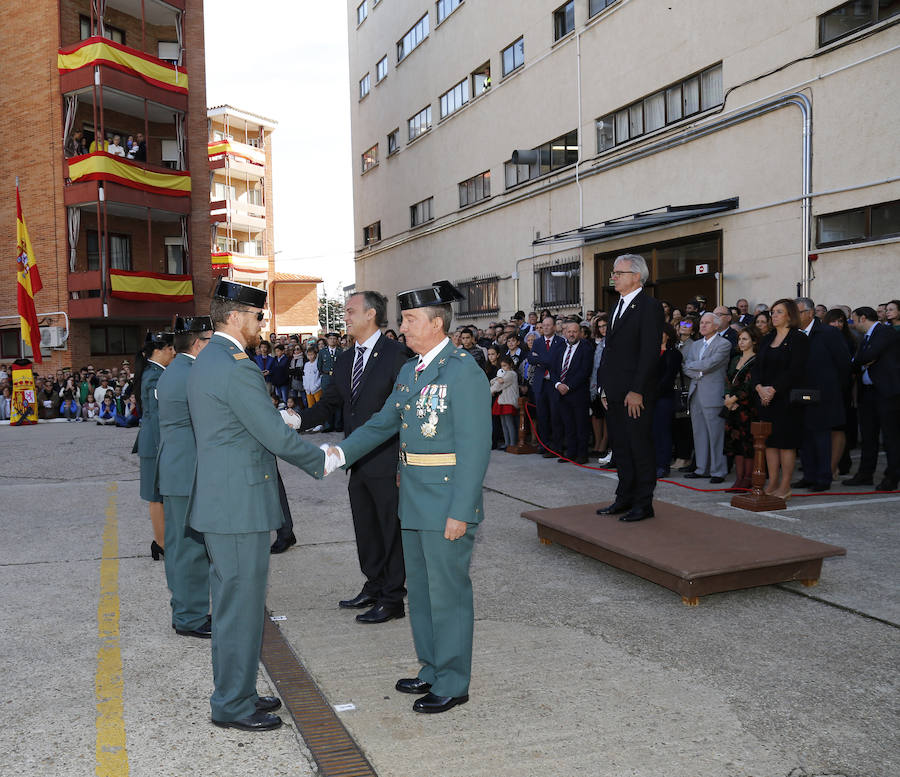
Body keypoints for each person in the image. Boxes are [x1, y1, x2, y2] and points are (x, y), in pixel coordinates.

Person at [325, 280, 491, 715]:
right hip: (414, 498)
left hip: (446, 500)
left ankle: (454, 681)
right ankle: (433, 667)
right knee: (420, 590)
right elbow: (383, 425)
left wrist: (462, 510)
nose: (403, 327)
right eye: (403, 320)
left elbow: (475, 449)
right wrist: (340, 453)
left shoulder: (463, 371)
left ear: (437, 323)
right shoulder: (409, 370)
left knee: (448, 593)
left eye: (411, 320)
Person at [187, 279, 326, 732]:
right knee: (238, 609)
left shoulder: (210, 359)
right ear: (234, 316)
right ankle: (230, 703)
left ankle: (240, 691)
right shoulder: (235, 365)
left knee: (237, 605)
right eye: (257, 316)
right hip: (236, 505)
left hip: (226, 500)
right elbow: (271, 433)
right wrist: (323, 460)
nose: (260, 324)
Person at [298, 290, 410, 621]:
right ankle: (374, 585)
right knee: (366, 528)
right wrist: (295, 419)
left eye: (349, 310)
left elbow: (404, 413)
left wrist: (405, 461)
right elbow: (330, 403)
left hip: (388, 460)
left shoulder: (396, 355)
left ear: (370, 314)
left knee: (390, 530)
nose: (344, 316)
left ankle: (392, 599)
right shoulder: (347, 359)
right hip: (356, 461)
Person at [156, 316, 214, 639]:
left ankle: (181, 607)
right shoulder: (192, 374)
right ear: (198, 343)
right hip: (189, 470)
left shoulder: (172, 372)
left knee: (178, 545)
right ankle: (190, 617)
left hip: (174, 468)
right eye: (209, 339)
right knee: (191, 547)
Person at [595, 254, 664, 521]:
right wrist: (603, 388)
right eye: (614, 272)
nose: (613, 277)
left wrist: (637, 390)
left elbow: (648, 353)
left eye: (619, 272)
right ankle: (623, 498)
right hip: (613, 392)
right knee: (621, 447)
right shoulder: (615, 307)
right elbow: (609, 353)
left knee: (639, 446)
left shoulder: (649, 307)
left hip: (635, 393)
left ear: (636, 276)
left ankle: (643, 503)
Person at [752, 299, 810, 500]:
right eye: (772, 312)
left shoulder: (798, 338)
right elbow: (757, 367)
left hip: (786, 400)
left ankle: (785, 485)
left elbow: (795, 370)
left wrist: (773, 389)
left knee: (786, 442)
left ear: (789, 315)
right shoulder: (768, 339)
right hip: (766, 399)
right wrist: (760, 388)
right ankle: (773, 481)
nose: (773, 316)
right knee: (769, 442)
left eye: (778, 312)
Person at [792, 298, 851, 492]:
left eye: (798, 312)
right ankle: (808, 476)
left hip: (824, 394)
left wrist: (833, 388)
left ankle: (823, 477)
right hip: (801, 394)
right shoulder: (794, 335)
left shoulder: (828, 333)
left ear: (810, 313)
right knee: (804, 437)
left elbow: (843, 363)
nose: (795, 316)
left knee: (821, 437)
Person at [843, 307, 900, 491]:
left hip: (886, 392)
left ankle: (892, 477)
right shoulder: (866, 337)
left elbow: (868, 356)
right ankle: (865, 474)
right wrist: (860, 360)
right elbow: (862, 359)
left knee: (890, 438)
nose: (852, 324)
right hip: (867, 392)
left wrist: (859, 360)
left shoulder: (885, 332)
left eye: (854, 320)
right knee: (868, 436)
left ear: (862, 318)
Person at [132, 331, 175, 560]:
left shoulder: (155, 373)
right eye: (170, 349)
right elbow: (158, 416)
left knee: (160, 494)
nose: (173, 353)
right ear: (159, 350)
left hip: (155, 441)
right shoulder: (154, 376)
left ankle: (163, 540)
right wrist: (164, 447)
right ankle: (161, 543)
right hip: (154, 443)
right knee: (156, 495)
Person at [682, 313, 732, 484]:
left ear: (716, 326)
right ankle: (701, 468)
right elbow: (685, 367)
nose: (703, 325)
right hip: (695, 393)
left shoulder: (724, 344)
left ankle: (718, 470)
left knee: (716, 434)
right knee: (699, 433)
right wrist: (699, 371)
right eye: (702, 322)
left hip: (713, 394)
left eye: (707, 323)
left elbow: (711, 364)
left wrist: (696, 369)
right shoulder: (695, 345)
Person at [551, 320, 593, 464]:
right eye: (569, 331)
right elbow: (554, 368)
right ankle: (570, 452)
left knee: (581, 425)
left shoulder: (586, 348)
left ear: (580, 333)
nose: (572, 334)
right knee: (568, 425)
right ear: (564, 333)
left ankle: (582, 454)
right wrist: (557, 384)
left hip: (578, 393)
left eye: (575, 331)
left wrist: (568, 386)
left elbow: (584, 371)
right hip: (561, 393)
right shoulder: (560, 347)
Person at [723, 327, 759, 490]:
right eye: (739, 339)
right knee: (736, 444)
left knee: (748, 445)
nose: (741, 342)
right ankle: (738, 479)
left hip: (748, 408)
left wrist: (735, 399)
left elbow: (749, 385)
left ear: (754, 341)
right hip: (732, 407)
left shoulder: (757, 360)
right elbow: (727, 381)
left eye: (745, 339)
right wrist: (728, 398)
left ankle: (748, 478)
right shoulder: (735, 358)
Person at [528, 316, 566, 459]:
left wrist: (541, 360)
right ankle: (544, 445)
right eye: (543, 325)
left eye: (549, 325)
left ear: (554, 327)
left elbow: (556, 361)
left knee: (555, 416)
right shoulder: (537, 342)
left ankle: (557, 447)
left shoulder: (561, 342)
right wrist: (547, 360)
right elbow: (531, 358)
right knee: (542, 416)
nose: (545, 327)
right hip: (540, 383)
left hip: (554, 384)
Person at [652, 323, 683, 478]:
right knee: (651, 432)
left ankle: (663, 465)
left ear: (668, 335)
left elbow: (668, 377)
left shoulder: (674, 354)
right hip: (648, 398)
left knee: (662, 431)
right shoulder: (650, 352)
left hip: (663, 398)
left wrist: (653, 392)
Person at [491, 356, 520, 449]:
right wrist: (496, 380)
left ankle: (512, 443)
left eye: (505, 366)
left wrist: (490, 391)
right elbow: (494, 381)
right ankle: (507, 443)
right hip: (503, 400)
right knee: (503, 423)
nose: (503, 368)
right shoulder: (504, 374)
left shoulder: (511, 374)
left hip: (509, 400)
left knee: (509, 422)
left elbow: (500, 383)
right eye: (502, 366)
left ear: (510, 365)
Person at [317, 332, 343, 431]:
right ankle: (328, 425)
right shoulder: (322, 352)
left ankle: (338, 425)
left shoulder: (341, 352)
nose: (332, 340)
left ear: (337, 340)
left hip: (338, 378)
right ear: (327, 340)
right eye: (330, 338)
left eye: (334, 338)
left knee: (338, 401)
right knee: (327, 401)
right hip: (327, 378)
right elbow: (319, 366)